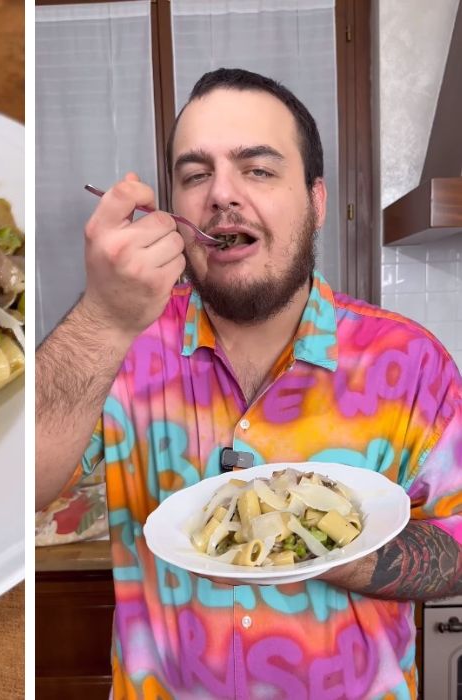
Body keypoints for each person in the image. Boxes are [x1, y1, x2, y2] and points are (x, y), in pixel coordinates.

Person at [35, 67, 462, 698]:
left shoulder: (411, 362)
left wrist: (329, 542)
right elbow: (17, 498)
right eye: (195, 174)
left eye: (257, 169)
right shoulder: (125, 342)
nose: (221, 194)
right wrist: (103, 316)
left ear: (316, 202)